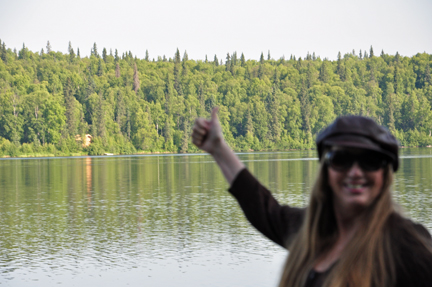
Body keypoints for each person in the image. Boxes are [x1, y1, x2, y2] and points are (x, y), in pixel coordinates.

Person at [192, 108, 432, 287]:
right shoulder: (312, 231)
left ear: (385, 173)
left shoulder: (406, 243)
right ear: (326, 171)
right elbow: (265, 210)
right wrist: (218, 148)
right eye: (341, 159)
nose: (355, 172)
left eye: (370, 161)